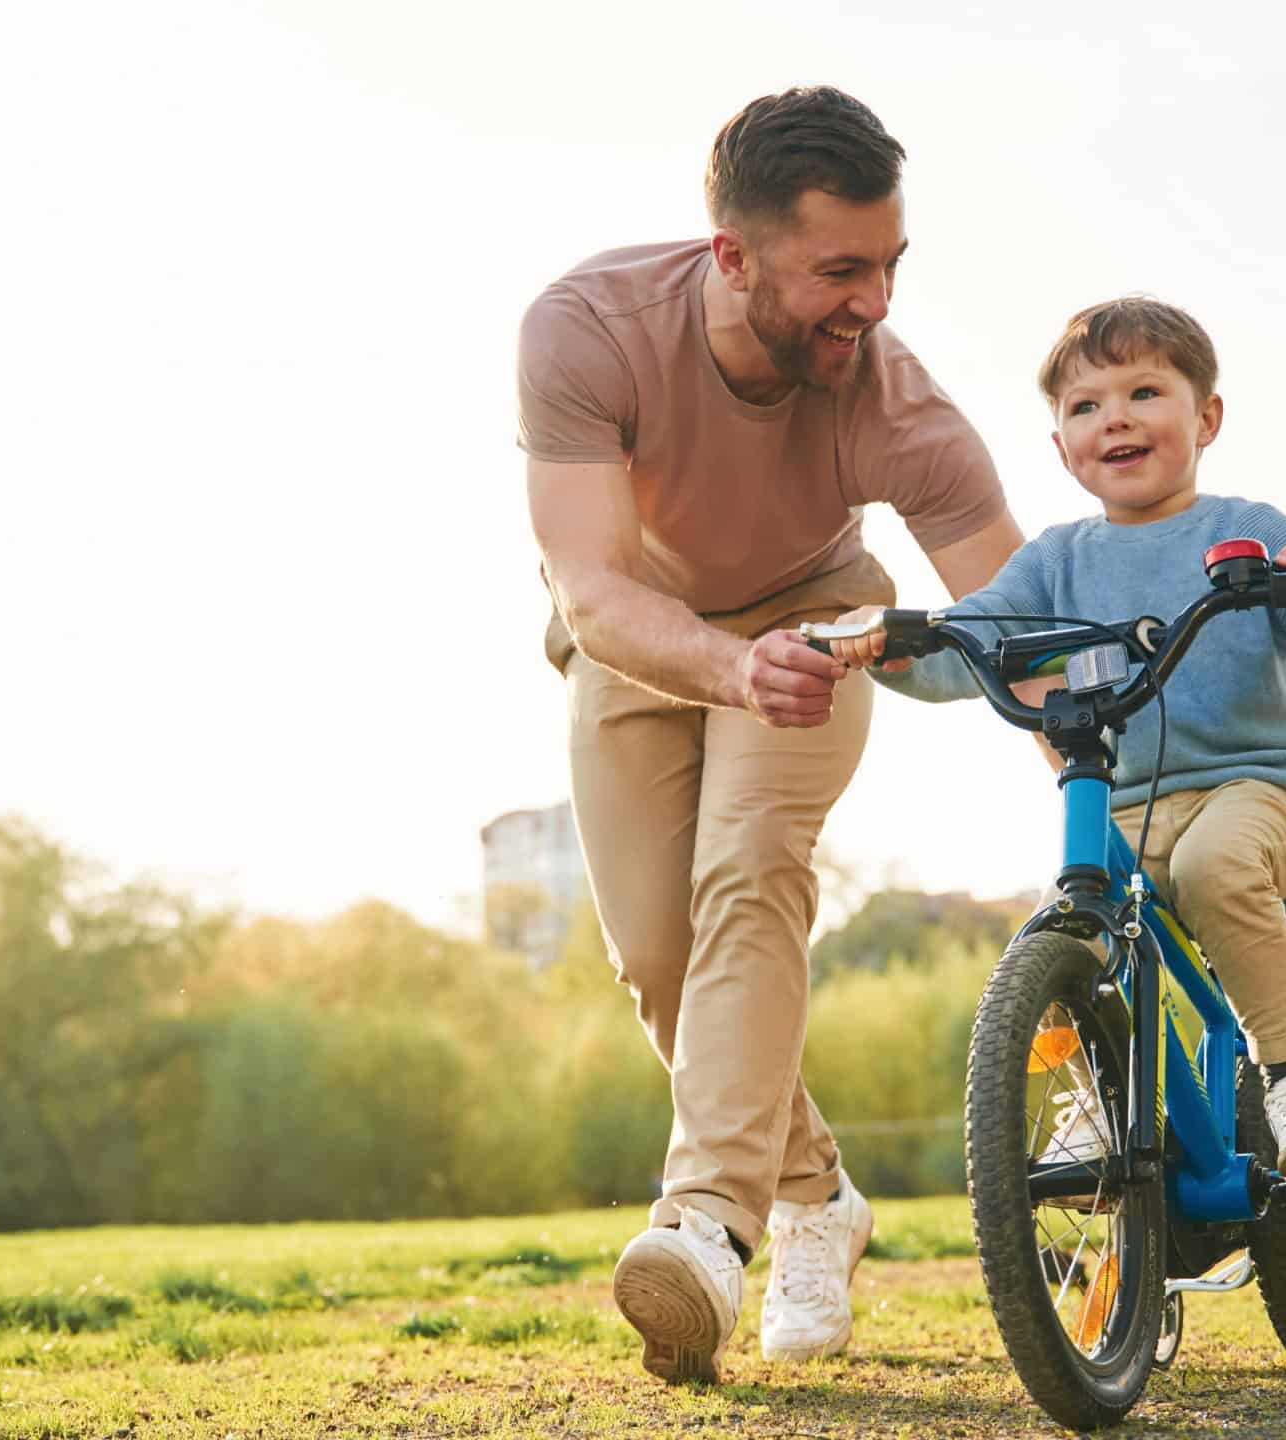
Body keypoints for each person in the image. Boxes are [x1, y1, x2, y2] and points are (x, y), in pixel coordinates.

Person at [515, 87, 1029, 1383]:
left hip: (816, 623)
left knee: (751, 868)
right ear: (731, 258)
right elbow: (592, 589)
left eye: (892, 265)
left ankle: (706, 1228)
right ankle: (817, 1195)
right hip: (641, 631)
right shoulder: (586, 332)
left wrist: (1150, 808)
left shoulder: (889, 401)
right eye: (841, 270)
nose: (876, 302)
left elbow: (1029, 632)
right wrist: (723, 664)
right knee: (655, 953)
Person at [825, 296, 1286, 1177]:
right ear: (1062, 448)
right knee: (1069, 934)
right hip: (1123, 806)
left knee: (1218, 868)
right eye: (1085, 406)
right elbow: (974, 637)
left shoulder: (1243, 532)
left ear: (1205, 418)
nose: (1117, 419)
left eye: (1144, 392)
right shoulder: (1056, 562)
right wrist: (893, 645)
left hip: (1258, 792)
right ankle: (1100, 1110)